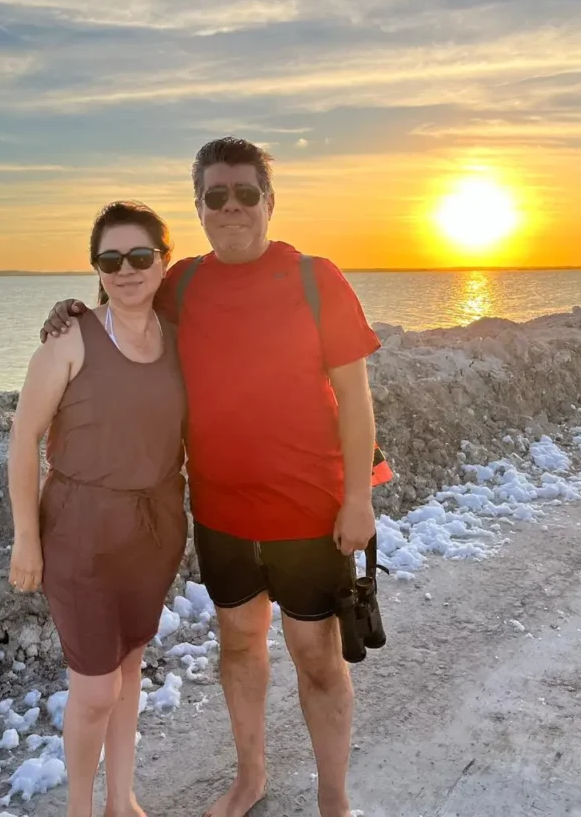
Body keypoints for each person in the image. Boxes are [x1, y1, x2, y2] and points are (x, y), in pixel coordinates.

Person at [41, 138, 382, 817]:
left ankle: (334, 799)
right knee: (239, 647)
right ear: (197, 207)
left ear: (269, 202)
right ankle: (250, 778)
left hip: (310, 510)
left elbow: (355, 398)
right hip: (221, 512)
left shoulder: (316, 279)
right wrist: (72, 311)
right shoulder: (185, 284)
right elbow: (125, 305)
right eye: (215, 195)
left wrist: (357, 499)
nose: (231, 207)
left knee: (316, 656)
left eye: (245, 193)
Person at [8, 201, 188, 817]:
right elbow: (23, 437)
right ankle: (79, 810)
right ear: (96, 268)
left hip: (155, 528)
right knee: (93, 689)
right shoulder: (70, 338)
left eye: (140, 255)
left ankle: (121, 799)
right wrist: (25, 538)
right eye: (110, 260)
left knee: (130, 665)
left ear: (163, 261)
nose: (126, 269)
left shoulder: (179, 335)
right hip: (79, 531)